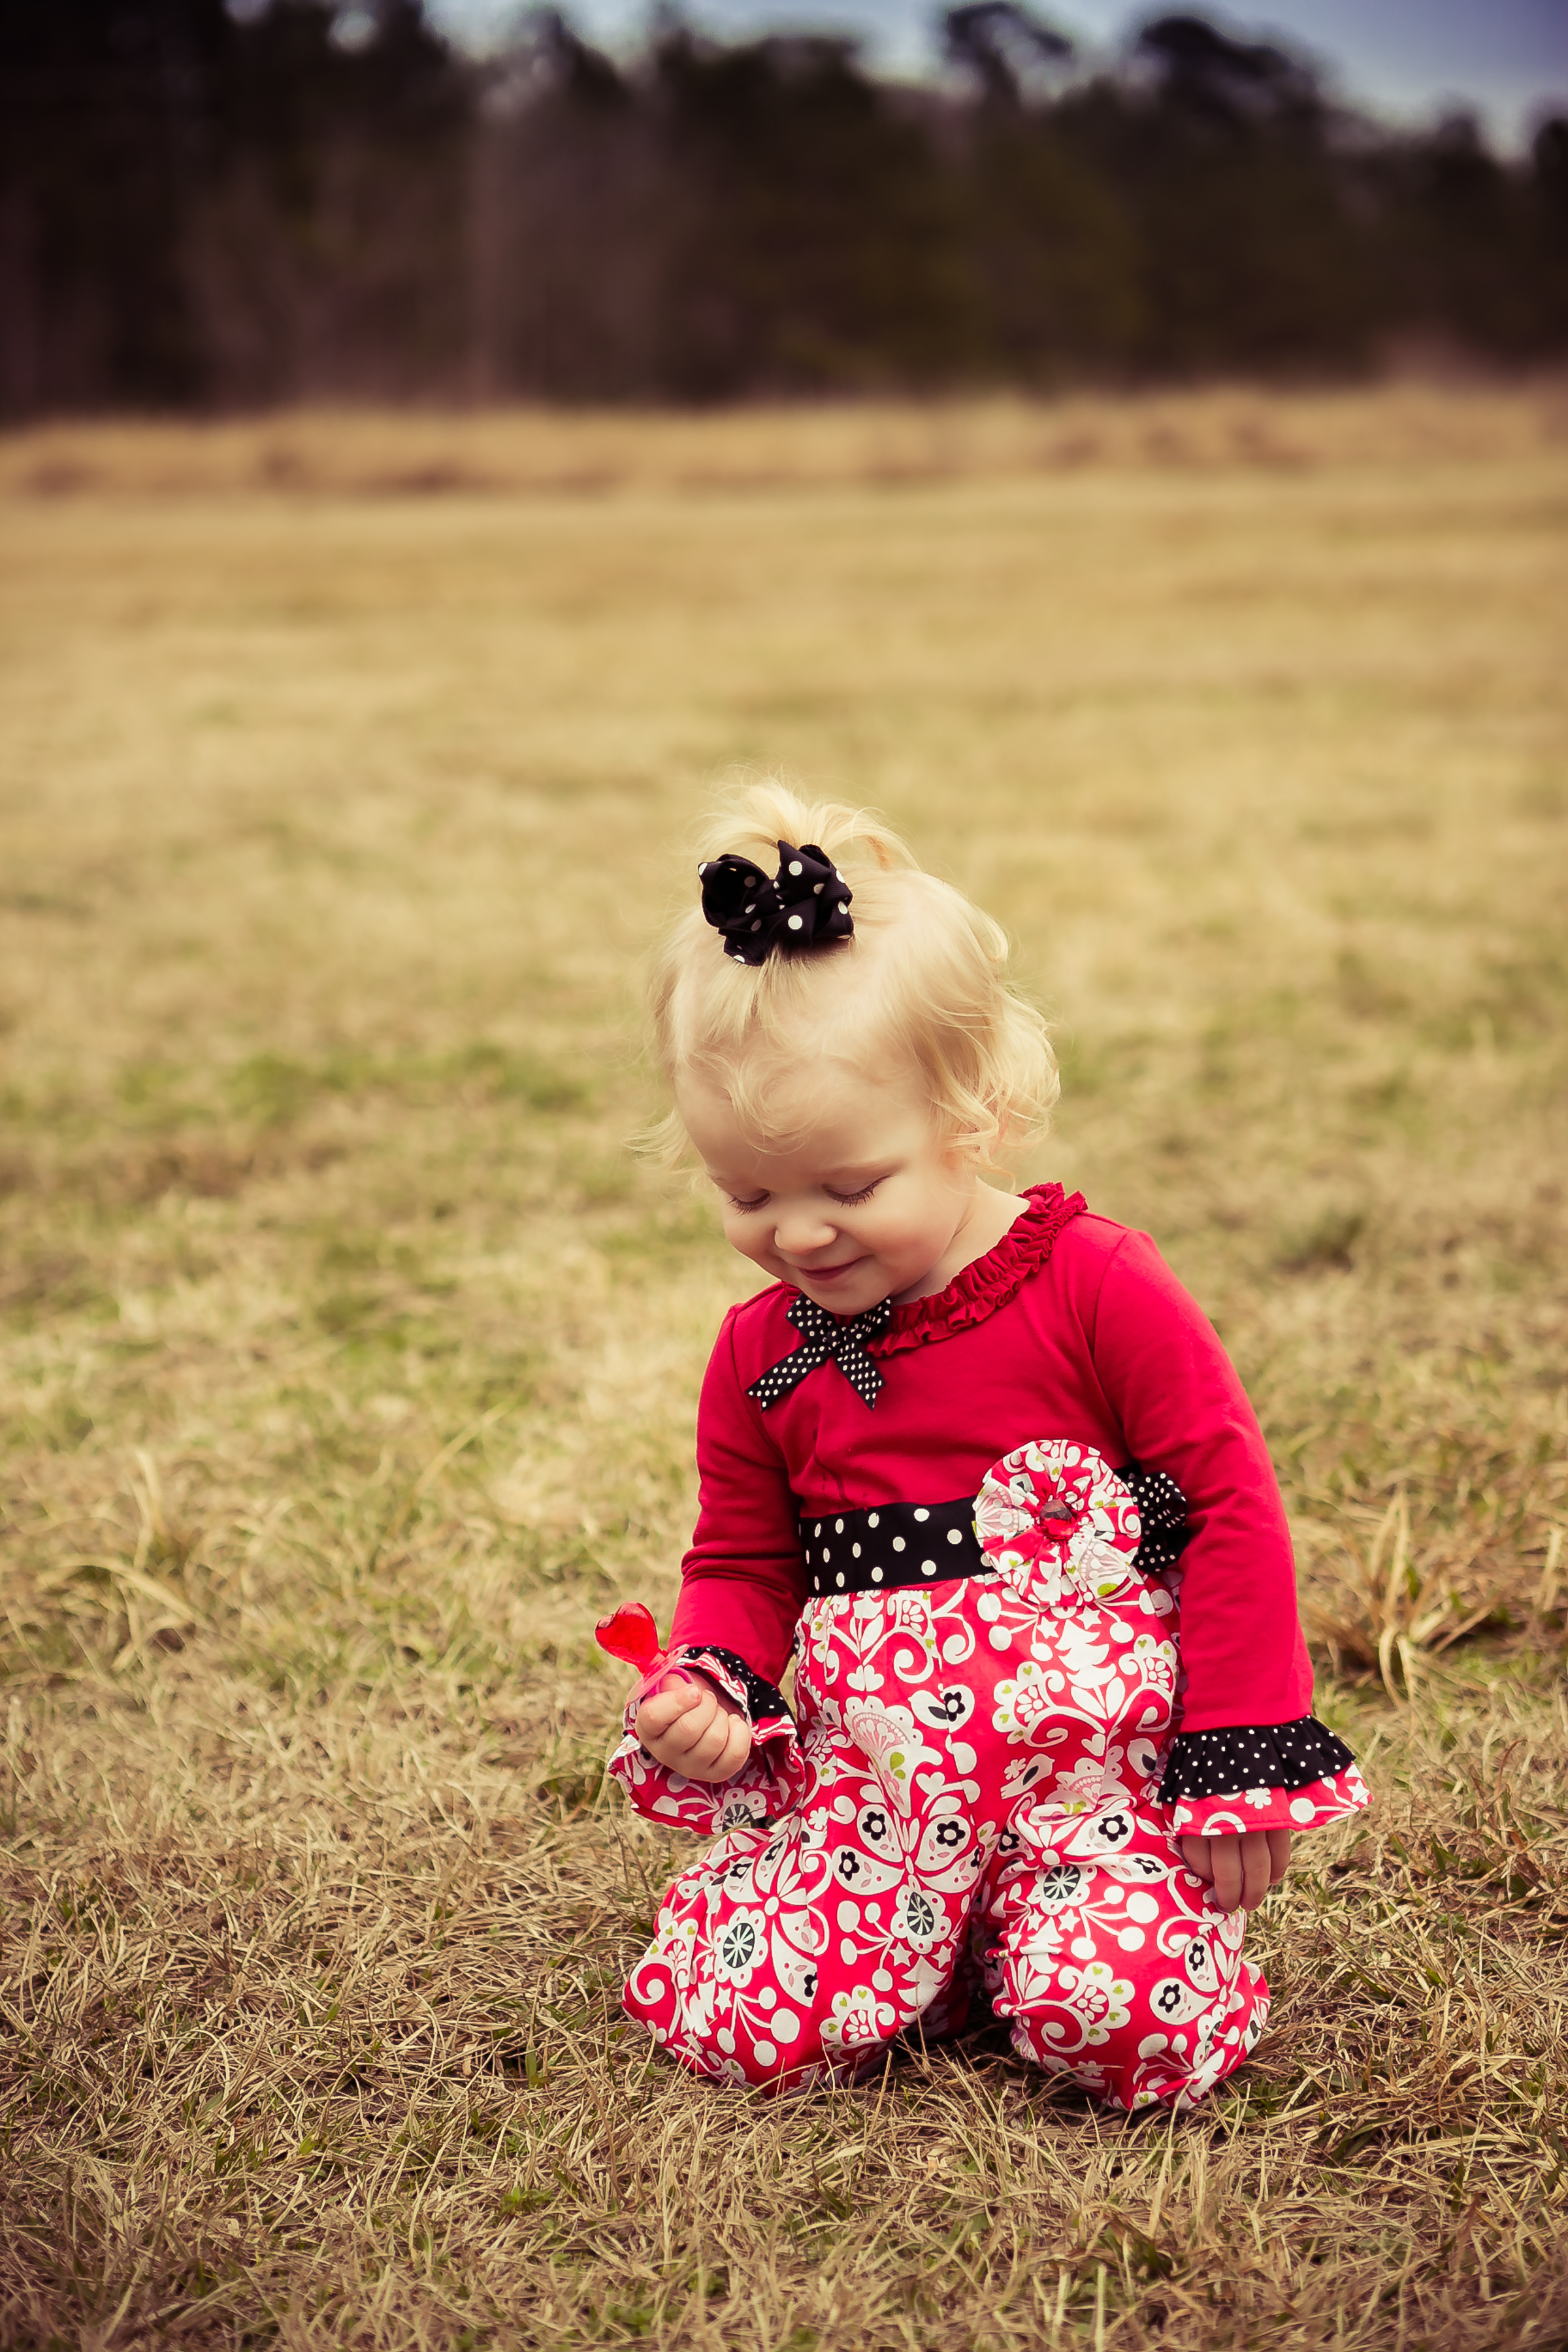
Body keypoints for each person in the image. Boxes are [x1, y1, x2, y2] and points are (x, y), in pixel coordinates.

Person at [601, 783, 1368, 2110]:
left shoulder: (1094, 1283)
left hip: (1093, 1801)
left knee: (1128, 2029)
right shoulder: (761, 1355)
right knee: (740, 2027)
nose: (798, 1234)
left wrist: (1243, 1744)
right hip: (873, 1808)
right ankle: (927, 1944)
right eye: (746, 1194)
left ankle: (1052, 1943)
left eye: (849, 1188)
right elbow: (742, 1556)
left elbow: (1226, 1501)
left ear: (973, 1117)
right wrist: (713, 1679)